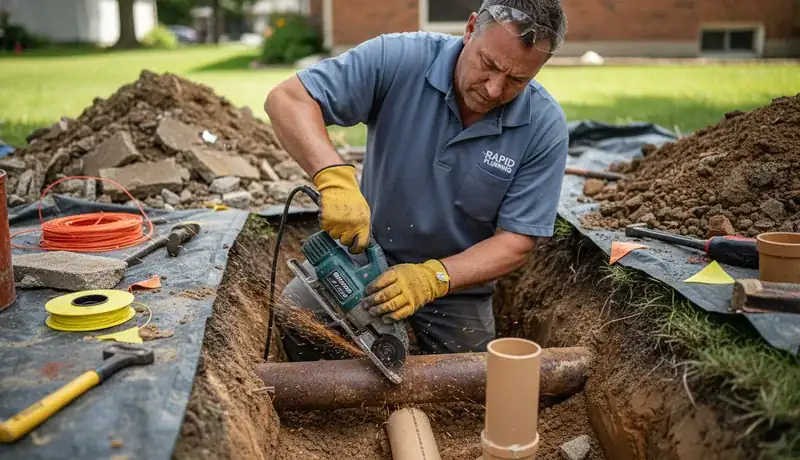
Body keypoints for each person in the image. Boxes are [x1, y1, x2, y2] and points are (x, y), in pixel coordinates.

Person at [264, 0, 569, 360]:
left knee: (469, 385)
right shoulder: (400, 59)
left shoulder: (543, 127)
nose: (493, 90)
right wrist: (333, 176)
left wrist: (432, 278)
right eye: (488, 65)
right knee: (297, 324)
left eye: (517, 80)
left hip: (454, 286)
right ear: (470, 29)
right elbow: (288, 99)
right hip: (363, 259)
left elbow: (516, 241)